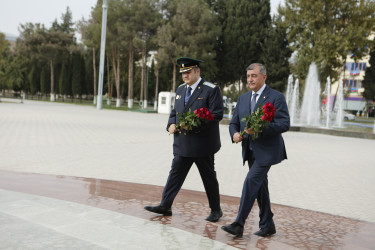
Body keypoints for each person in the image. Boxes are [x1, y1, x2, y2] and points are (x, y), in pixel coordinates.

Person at [144, 57, 224, 222]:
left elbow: (217, 115)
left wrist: (195, 126)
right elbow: (175, 112)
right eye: (183, 73)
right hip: (183, 143)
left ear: (197, 71)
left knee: (208, 177)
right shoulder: (181, 90)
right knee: (175, 175)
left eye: (188, 72)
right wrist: (170, 124)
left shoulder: (211, 89)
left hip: (203, 145)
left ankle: (216, 210)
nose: (185, 75)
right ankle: (165, 205)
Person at [221, 63, 290, 237]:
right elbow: (234, 122)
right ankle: (267, 224)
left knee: (251, 181)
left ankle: (239, 223)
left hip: (267, 151)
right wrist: (235, 133)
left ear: (264, 77)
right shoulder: (243, 98)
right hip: (250, 150)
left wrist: (261, 129)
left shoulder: (276, 97)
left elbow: (284, 124)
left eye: (254, 76)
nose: (250, 79)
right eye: (248, 76)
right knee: (260, 187)